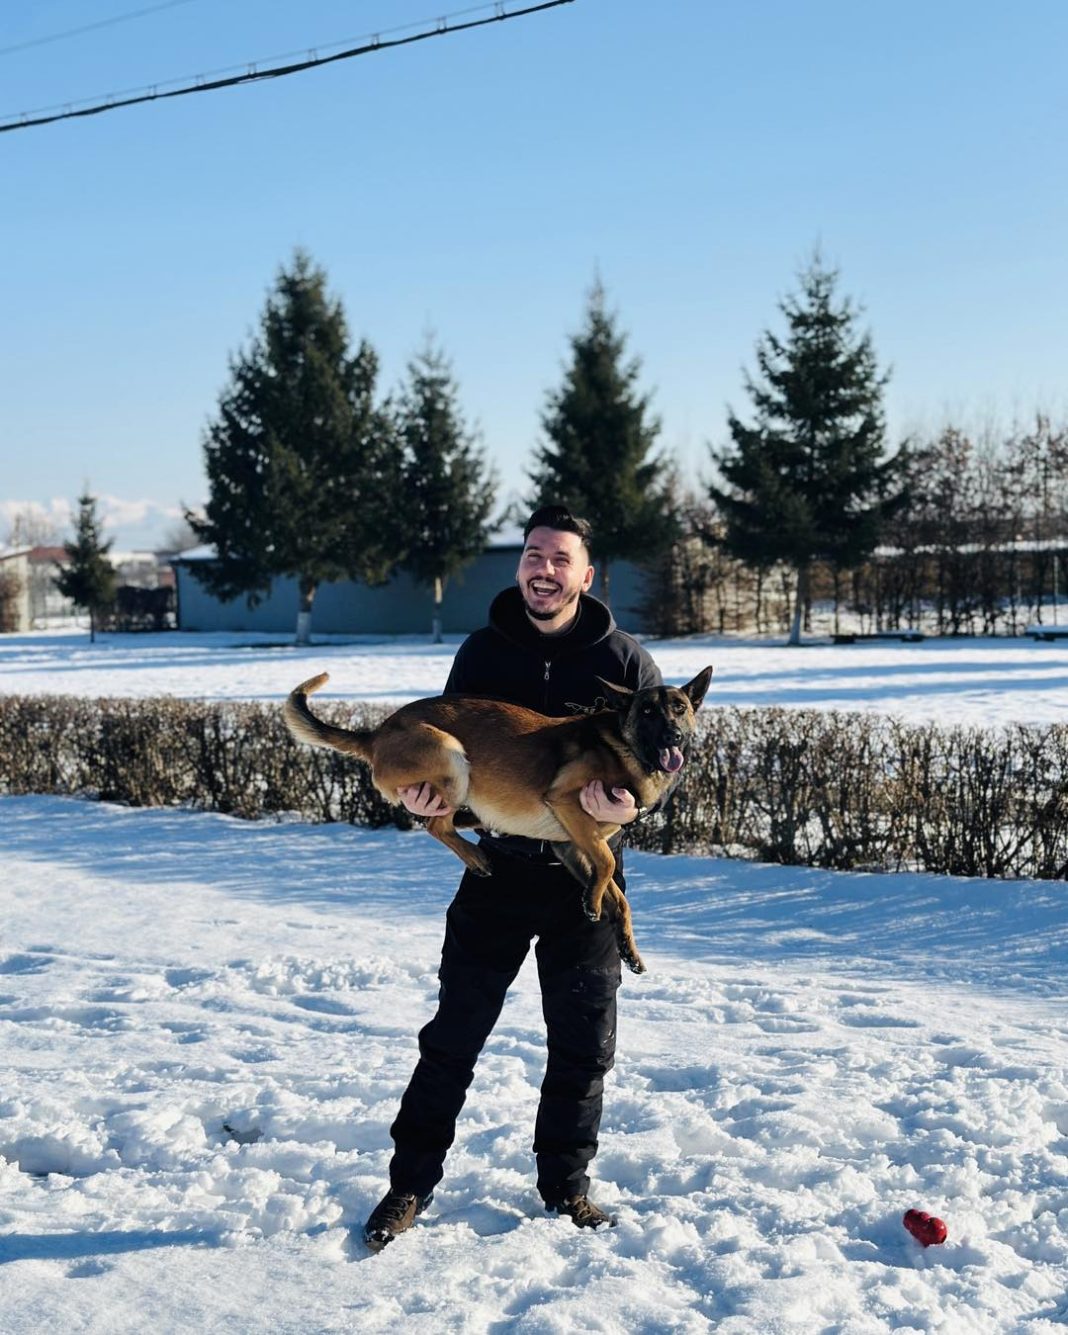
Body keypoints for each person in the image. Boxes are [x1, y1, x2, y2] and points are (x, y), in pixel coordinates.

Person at [363, 504, 663, 1252]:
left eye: (561, 558)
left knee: (583, 1046)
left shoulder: (625, 661)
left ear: (587, 576)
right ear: (520, 564)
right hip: (497, 868)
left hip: (583, 876)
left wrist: (630, 806)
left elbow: (663, 764)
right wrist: (427, 804)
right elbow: (443, 757)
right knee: (453, 1036)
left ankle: (566, 1186)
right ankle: (408, 1185)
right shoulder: (482, 651)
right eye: (534, 554)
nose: (544, 569)